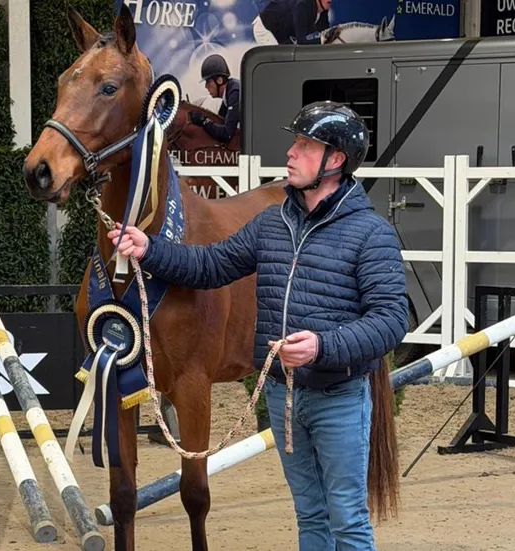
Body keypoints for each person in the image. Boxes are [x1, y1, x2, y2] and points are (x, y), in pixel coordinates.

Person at [109, 101, 409, 550]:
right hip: (284, 396)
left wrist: (322, 347)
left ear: (336, 161)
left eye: (305, 145)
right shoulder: (271, 223)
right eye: (295, 142)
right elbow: (210, 264)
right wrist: (150, 249)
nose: (290, 152)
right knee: (309, 515)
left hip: (339, 398)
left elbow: (391, 320)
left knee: (347, 519)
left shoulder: (371, 234)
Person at [189, 54, 241, 144]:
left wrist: (203, 121)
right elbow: (219, 120)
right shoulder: (229, 92)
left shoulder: (235, 93)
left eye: (208, 82)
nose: (206, 86)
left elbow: (226, 134)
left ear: (219, 80)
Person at [253, 0, 332, 46]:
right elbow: (301, 41)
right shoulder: (303, 5)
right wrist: (323, 39)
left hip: (282, 33)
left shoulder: (323, 9)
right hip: (266, 28)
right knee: (279, 65)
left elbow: (325, 32)